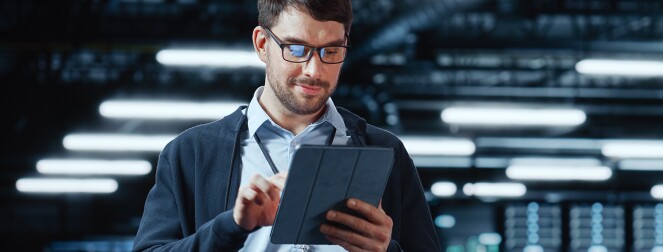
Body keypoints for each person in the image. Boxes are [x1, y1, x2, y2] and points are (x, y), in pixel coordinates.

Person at [132, 0, 440, 251]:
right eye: (296, 49)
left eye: (330, 51)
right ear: (262, 43)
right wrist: (232, 226)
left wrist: (388, 251)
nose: (314, 70)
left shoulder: (387, 152)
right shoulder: (191, 153)